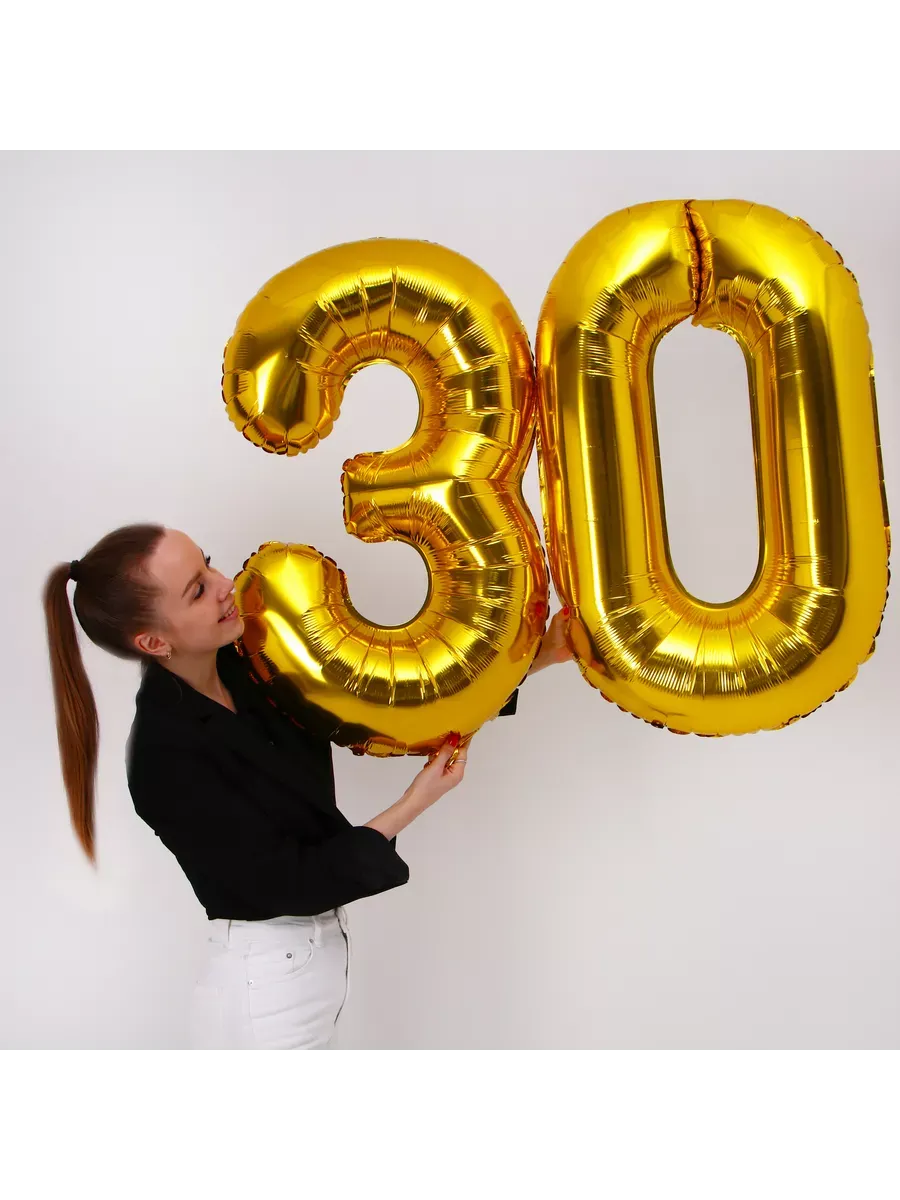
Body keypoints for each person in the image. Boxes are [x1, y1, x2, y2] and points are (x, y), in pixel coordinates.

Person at [43, 523, 572, 1055]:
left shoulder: (249, 662)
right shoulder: (164, 755)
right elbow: (288, 881)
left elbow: (381, 701)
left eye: (208, 563)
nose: (224, 584)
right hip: (267, 989)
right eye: (197, 590)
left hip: (306, 972)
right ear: (154, 642)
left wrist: (536, 659)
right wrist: (415, 803)